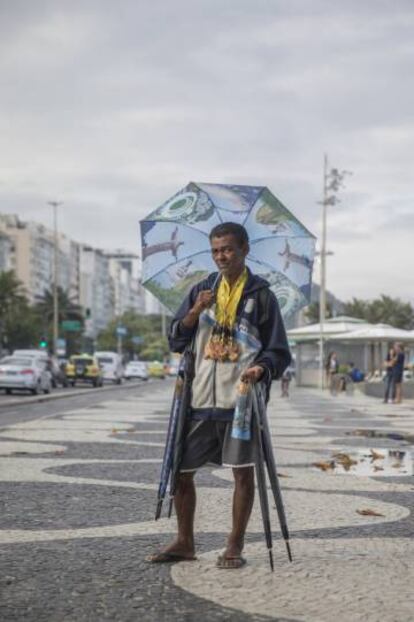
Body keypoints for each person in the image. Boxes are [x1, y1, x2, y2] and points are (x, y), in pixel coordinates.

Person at [147, 222, 291, 569]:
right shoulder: (201, 290)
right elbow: (176, 340)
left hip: (240, 401)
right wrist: (195, 311)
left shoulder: (262, 296)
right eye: (215, 251)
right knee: (181, 472)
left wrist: (261, 368)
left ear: (244, 250)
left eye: (227, 249)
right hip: (198, 401)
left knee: (242, 472)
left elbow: (279, 352)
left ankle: (234, 545)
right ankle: (184, 542)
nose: (220, 256)